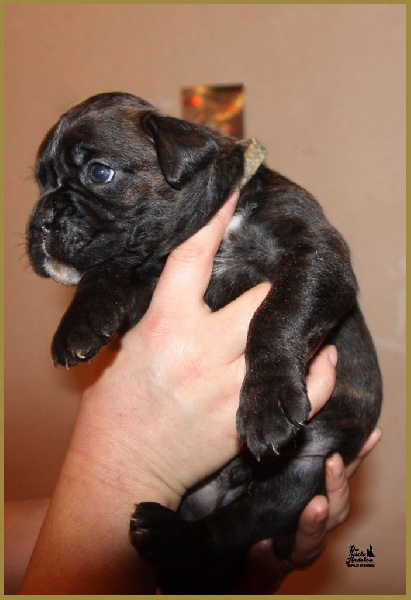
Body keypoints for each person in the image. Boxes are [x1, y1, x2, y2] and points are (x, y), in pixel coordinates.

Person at [7, 191, 381, 594]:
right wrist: (129, 468)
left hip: (297, 441)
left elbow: (326, 270)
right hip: (205, 476)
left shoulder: (268, 209)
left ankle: (212, 546)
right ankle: (204, 553)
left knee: (300, 480)